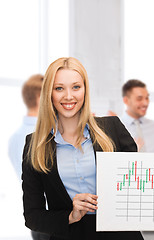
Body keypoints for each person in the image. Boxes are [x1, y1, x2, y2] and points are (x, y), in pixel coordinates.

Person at [22, 57, 144, 240]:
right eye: (59, 88)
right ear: (49, 93)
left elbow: (139, 187)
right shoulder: (35, 146)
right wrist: (70, 216)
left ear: (85, 91)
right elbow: (32, 216)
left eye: (76, 87)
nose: (69, 96)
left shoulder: (113, 129)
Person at [8, 74, 50, 240]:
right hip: (51, 220)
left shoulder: (15, 137)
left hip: (41, 220)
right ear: (40, 98)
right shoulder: (39, 136)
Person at [119, 79, 154, 152]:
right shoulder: (116, 128)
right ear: (126, 100)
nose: (145, 103)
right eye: (139, 99)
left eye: (147, 98)